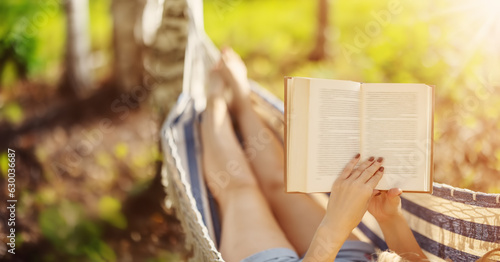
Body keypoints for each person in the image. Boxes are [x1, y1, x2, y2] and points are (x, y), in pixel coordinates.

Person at [199, 48, 422, 262]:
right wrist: (389, 218)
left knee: (239, 189)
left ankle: (213, 100)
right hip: (351, 257)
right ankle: (242, 100)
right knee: (279, 183)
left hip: (331, 243)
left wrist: (335, 226)